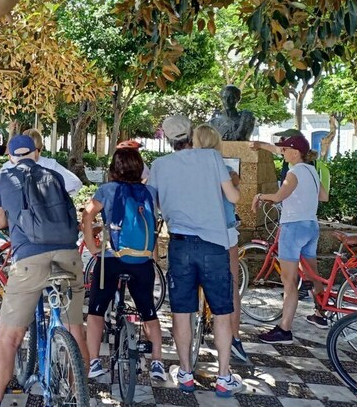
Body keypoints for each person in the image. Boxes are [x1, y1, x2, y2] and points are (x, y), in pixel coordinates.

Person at [0, 135, 86, 407]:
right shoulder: (55, 175)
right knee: (75, 328)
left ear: (10, 155)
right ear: (36, 153)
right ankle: (80, 396)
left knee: (8, 337)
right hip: (69, 255)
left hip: (29, 260)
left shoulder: (3, 179)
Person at [148, 115, 243, 397]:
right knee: (223, 312)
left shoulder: (159, 166)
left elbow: (153, 206)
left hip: (179, 246)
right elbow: (234, 198)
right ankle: (224, 376)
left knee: (181, 312)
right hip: (214, 245)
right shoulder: (212, 159)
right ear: (191, 134)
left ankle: (186, 372)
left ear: (167, 138)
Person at [81, 145, 166, 381]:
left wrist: (91, 246)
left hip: (112, 261)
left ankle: (95, 361)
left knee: (96, 312)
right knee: (148, 311)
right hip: (141, 262)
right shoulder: (150, 191)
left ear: (114, 168)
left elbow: (87, 215)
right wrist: (152, 256)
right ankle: (158, 361)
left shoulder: (107, 190)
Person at [251, 133, 329, 342]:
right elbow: (323, 196)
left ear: (295, 152)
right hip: (311, 226)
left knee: (289, 281)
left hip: (293, 227)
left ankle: (284, 328)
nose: (282, 152)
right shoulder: (312, 170)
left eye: (285, 150)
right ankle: (321, 314)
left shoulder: (294, 172)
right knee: (312, 275)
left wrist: (260, 196)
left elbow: (278, 197)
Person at [192, 124, 249, 363]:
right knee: (230, 286)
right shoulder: (224, 170)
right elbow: (233, 199)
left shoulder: (188, 171)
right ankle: (234, 338)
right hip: (224, 235)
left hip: (194, 232)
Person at [0, 127, 83, 195]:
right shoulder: (49, 164)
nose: (31, 155)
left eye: (35, 151)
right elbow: (75, 184)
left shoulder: (10, 166)